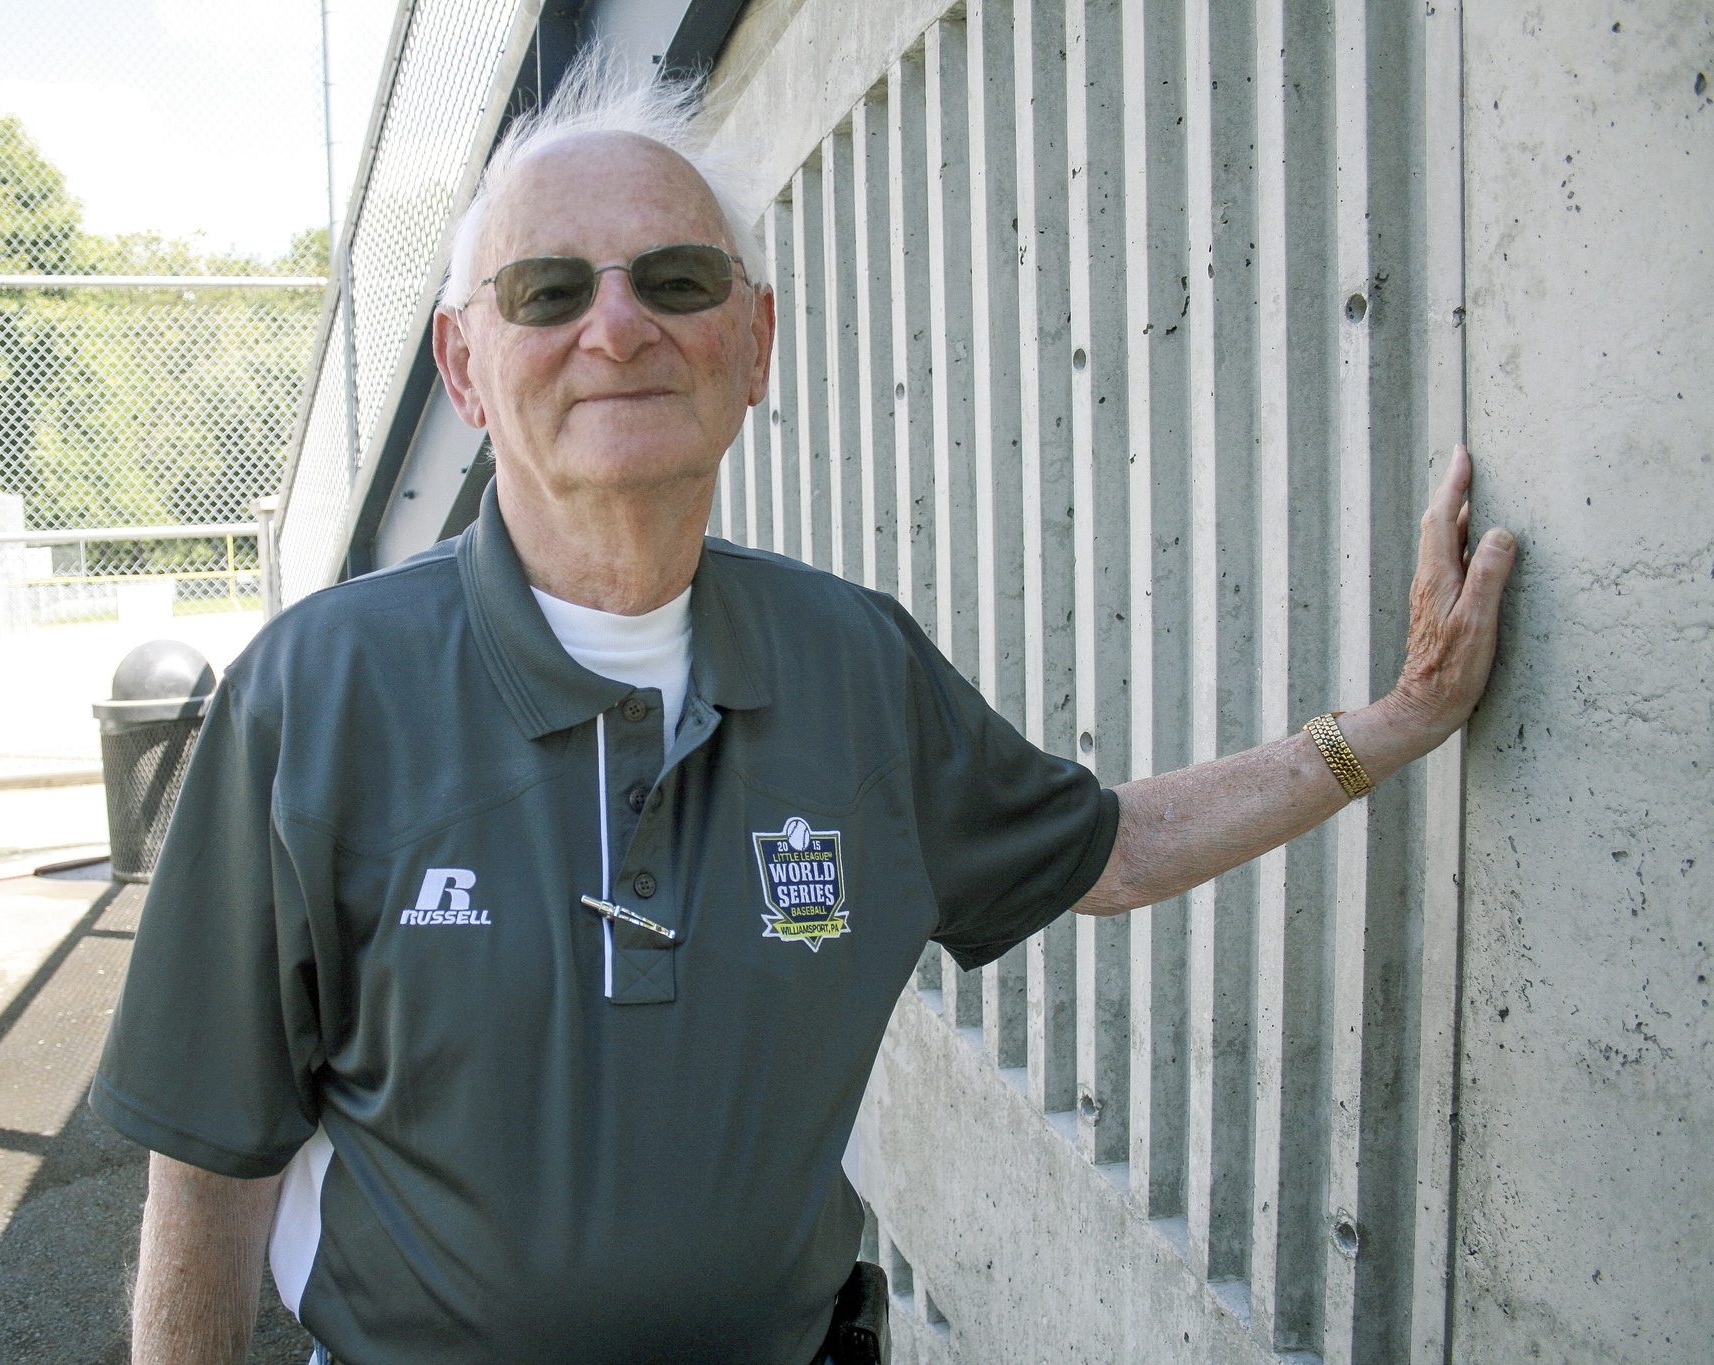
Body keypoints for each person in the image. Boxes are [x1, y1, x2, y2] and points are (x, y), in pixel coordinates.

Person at [93, 59, 1516, 1365]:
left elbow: (1116, 850)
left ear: (754, 343)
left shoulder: (854, 665)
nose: (617, 325)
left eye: (678, 276)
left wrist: (1390, 723)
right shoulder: (315, 695)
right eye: (545, 292)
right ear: (463, 367)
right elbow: (209, 1169)